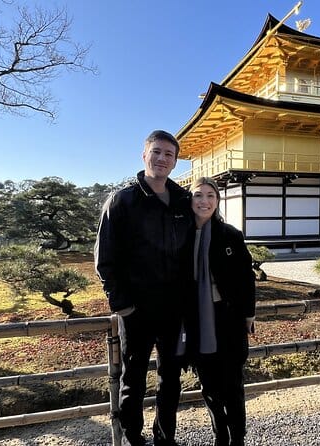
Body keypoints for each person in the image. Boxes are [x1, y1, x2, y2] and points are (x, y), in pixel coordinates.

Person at [95, 130, 192, 446]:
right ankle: (133, 439)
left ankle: (165, 438)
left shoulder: (182, 200)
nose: (162, 158)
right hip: (136, 310)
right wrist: (122, 305)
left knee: (171, 378)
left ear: (175, 161)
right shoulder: (123, 200)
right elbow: (104, 258)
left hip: (174, 311)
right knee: (133, 378)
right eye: (157, 152)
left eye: (169, 154)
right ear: (144, 155)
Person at [185, 177, 256, 446]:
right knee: (208, 384)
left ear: (217, 201)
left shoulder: (230, 235)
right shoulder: (181, 235)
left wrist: (248, 313)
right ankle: (220, 434)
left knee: (233, 385)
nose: (204, 201)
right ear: (190, 200)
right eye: (198, 195)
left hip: (228, 317)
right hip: (194, 318)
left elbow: (246, 278)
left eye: (210, 196)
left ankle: (237, 437)